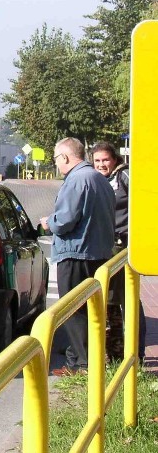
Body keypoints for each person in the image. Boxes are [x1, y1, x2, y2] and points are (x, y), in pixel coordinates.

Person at [40, 137, 115, 376]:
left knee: (73, 311)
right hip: (99, 254)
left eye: (56, 158)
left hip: (76, 253)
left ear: (65, 157)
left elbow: (65, 220)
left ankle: (81, 366)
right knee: (89, 311)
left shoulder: (76, 180)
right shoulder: (99, 179)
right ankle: (77, 360)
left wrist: (47, 223)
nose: (56, 163)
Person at [91, 141, 146, 361]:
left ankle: (137, 353)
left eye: (106, 160)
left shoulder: (124, 177)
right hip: (106, 247)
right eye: (97, 161)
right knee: (111, 300)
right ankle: (114, 353)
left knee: (129, 300)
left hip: (124, 248)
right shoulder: (97, 180)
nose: (102, 164)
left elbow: (142, 201)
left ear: (115, 160)